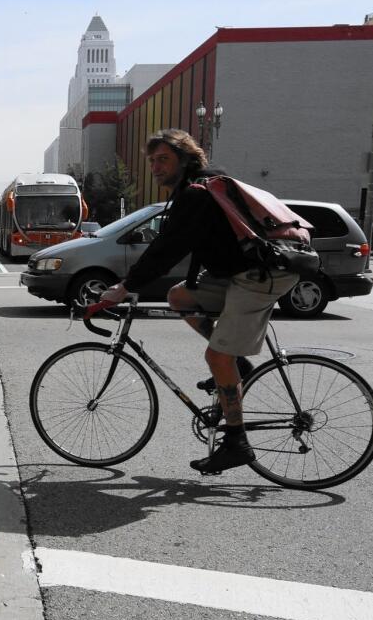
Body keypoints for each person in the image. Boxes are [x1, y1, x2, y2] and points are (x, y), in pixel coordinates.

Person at [101, 129, 299, 474]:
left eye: (163, 159)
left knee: (217, 355)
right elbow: (176, 246)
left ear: (186, 159)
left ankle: (236, 441)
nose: (156, 167)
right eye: (151, 161)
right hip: (235, 272)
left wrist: (125, 286)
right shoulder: (198, 189)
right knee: (179, 296)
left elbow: (167, 249)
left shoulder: (197, 193)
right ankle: (238, 367)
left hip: (259, 274)